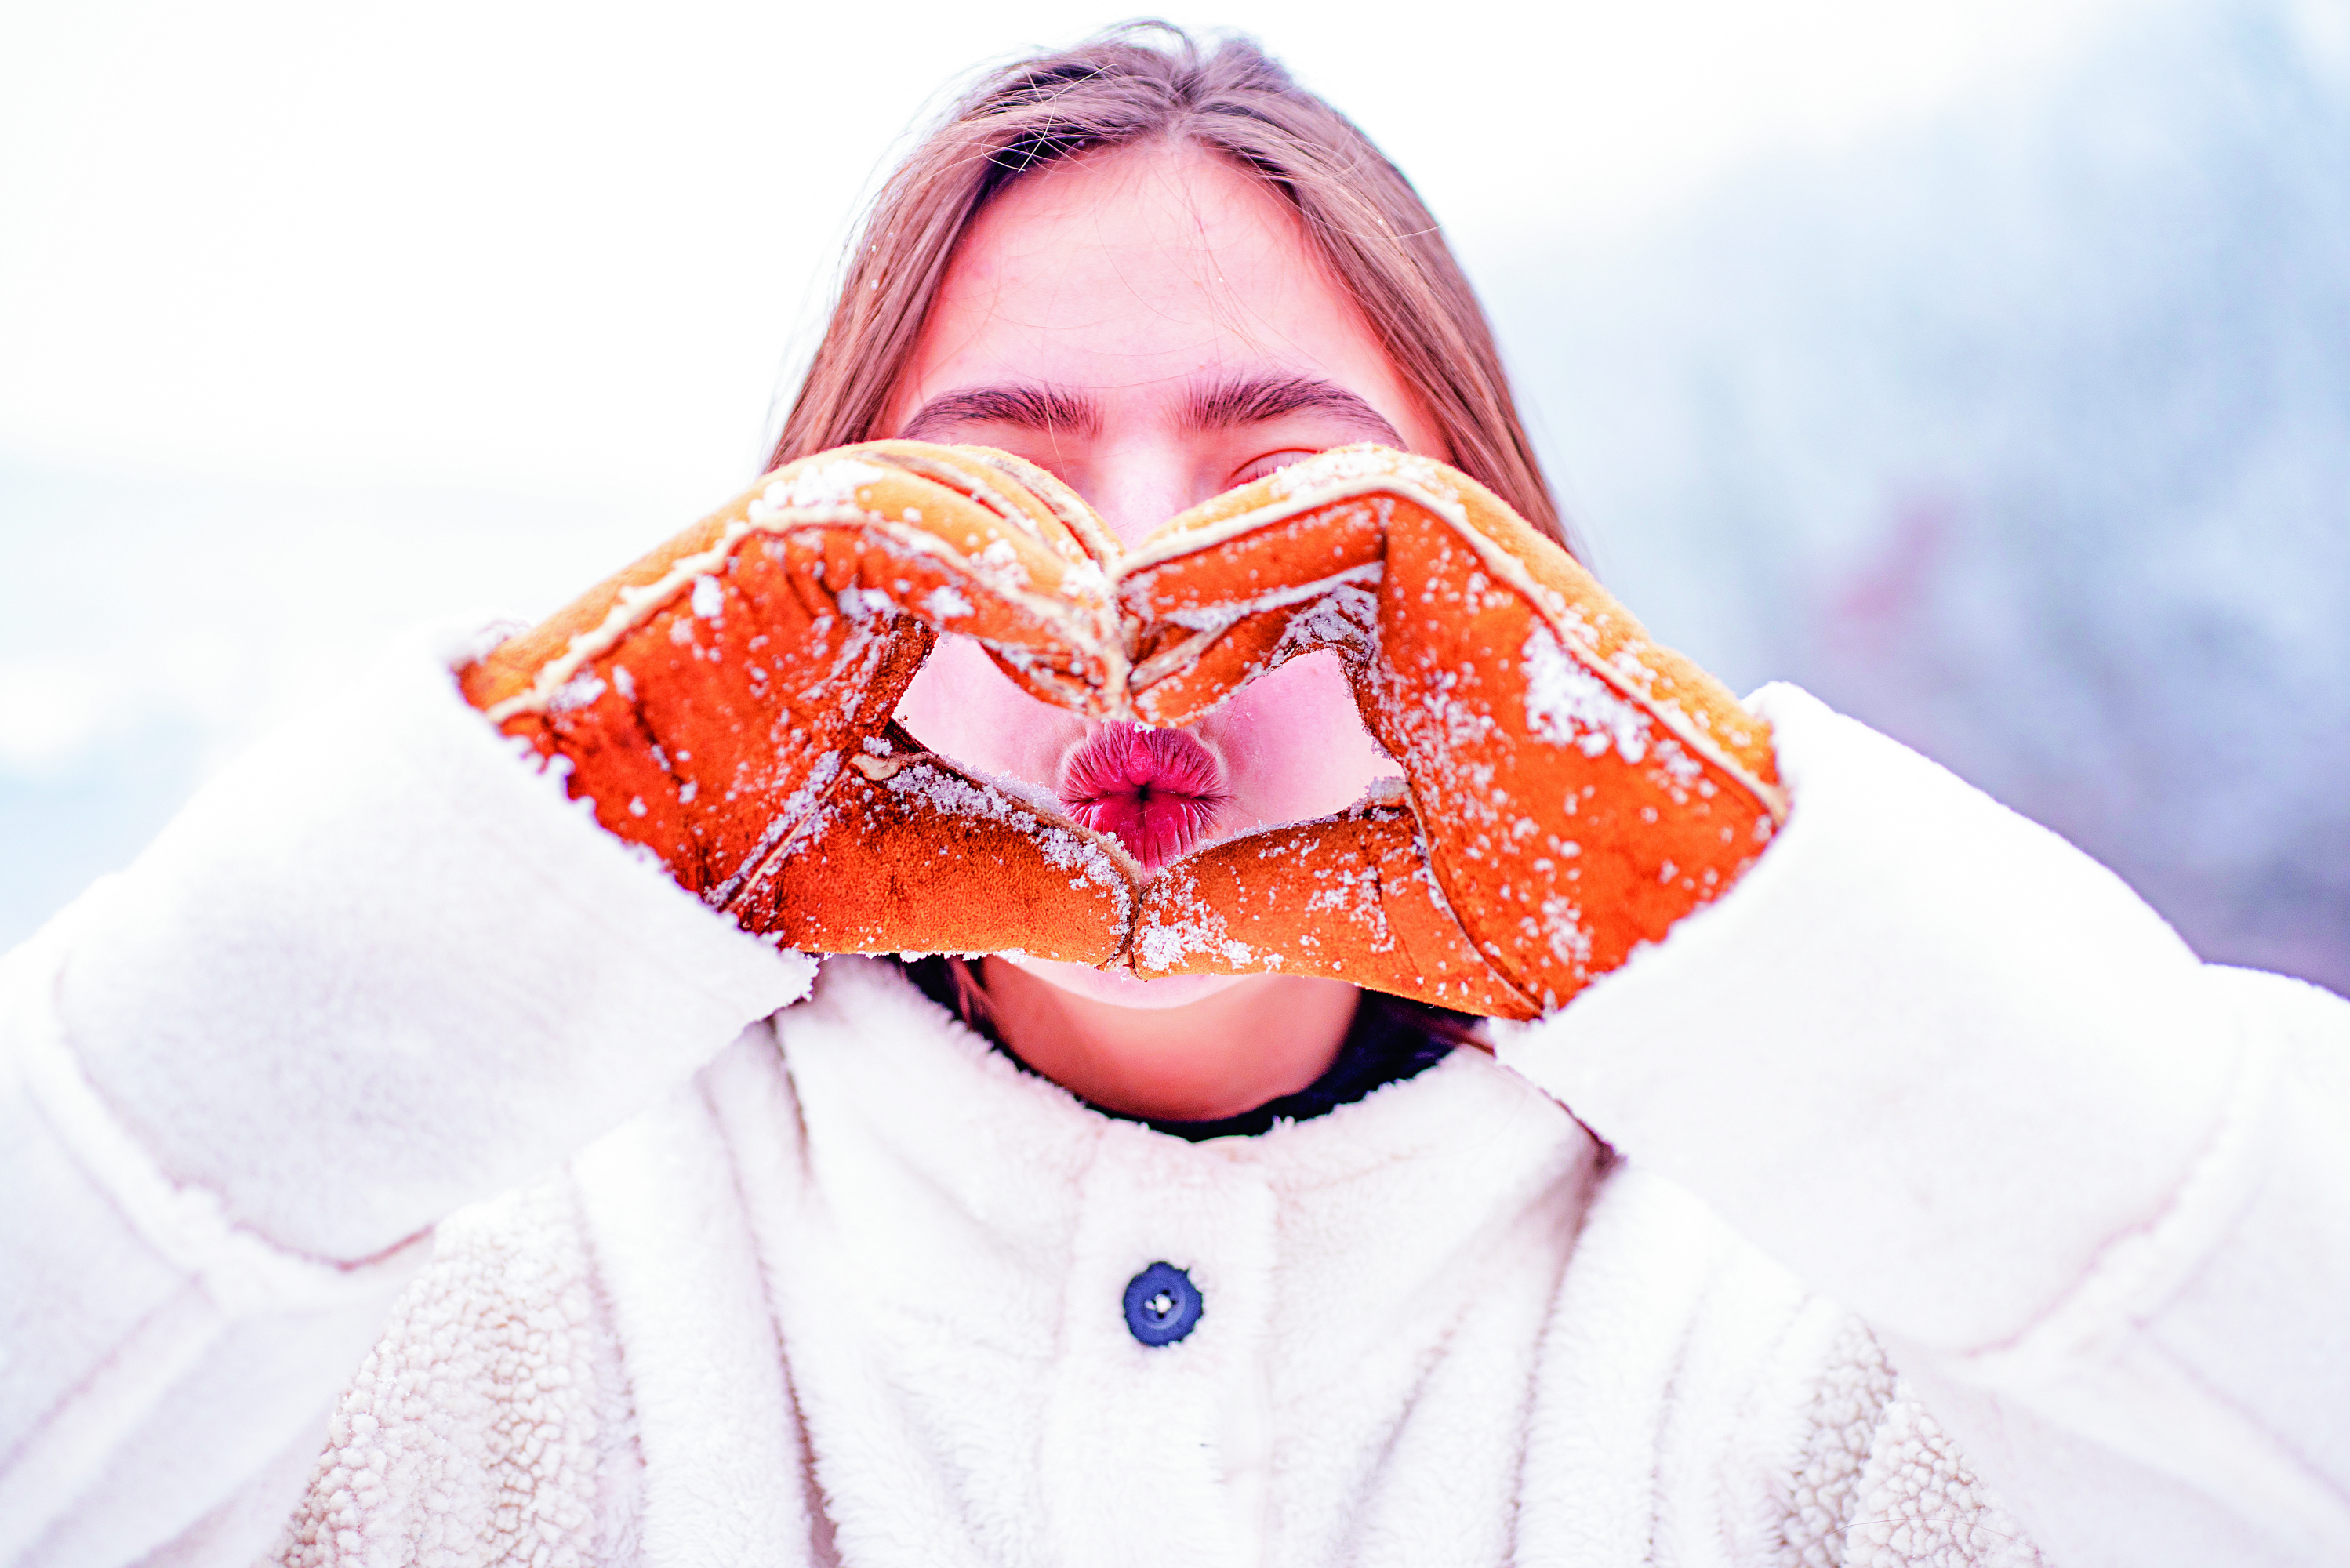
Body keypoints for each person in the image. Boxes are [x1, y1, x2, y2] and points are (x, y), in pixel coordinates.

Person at [5, 24, 2345, 1568]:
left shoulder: (1804, 1341)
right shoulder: (506, 1328)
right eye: (987, 494)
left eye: (1290, 490)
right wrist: (510, 851)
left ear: (1501, 587)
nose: (1130, 592)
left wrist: (1726, 900)